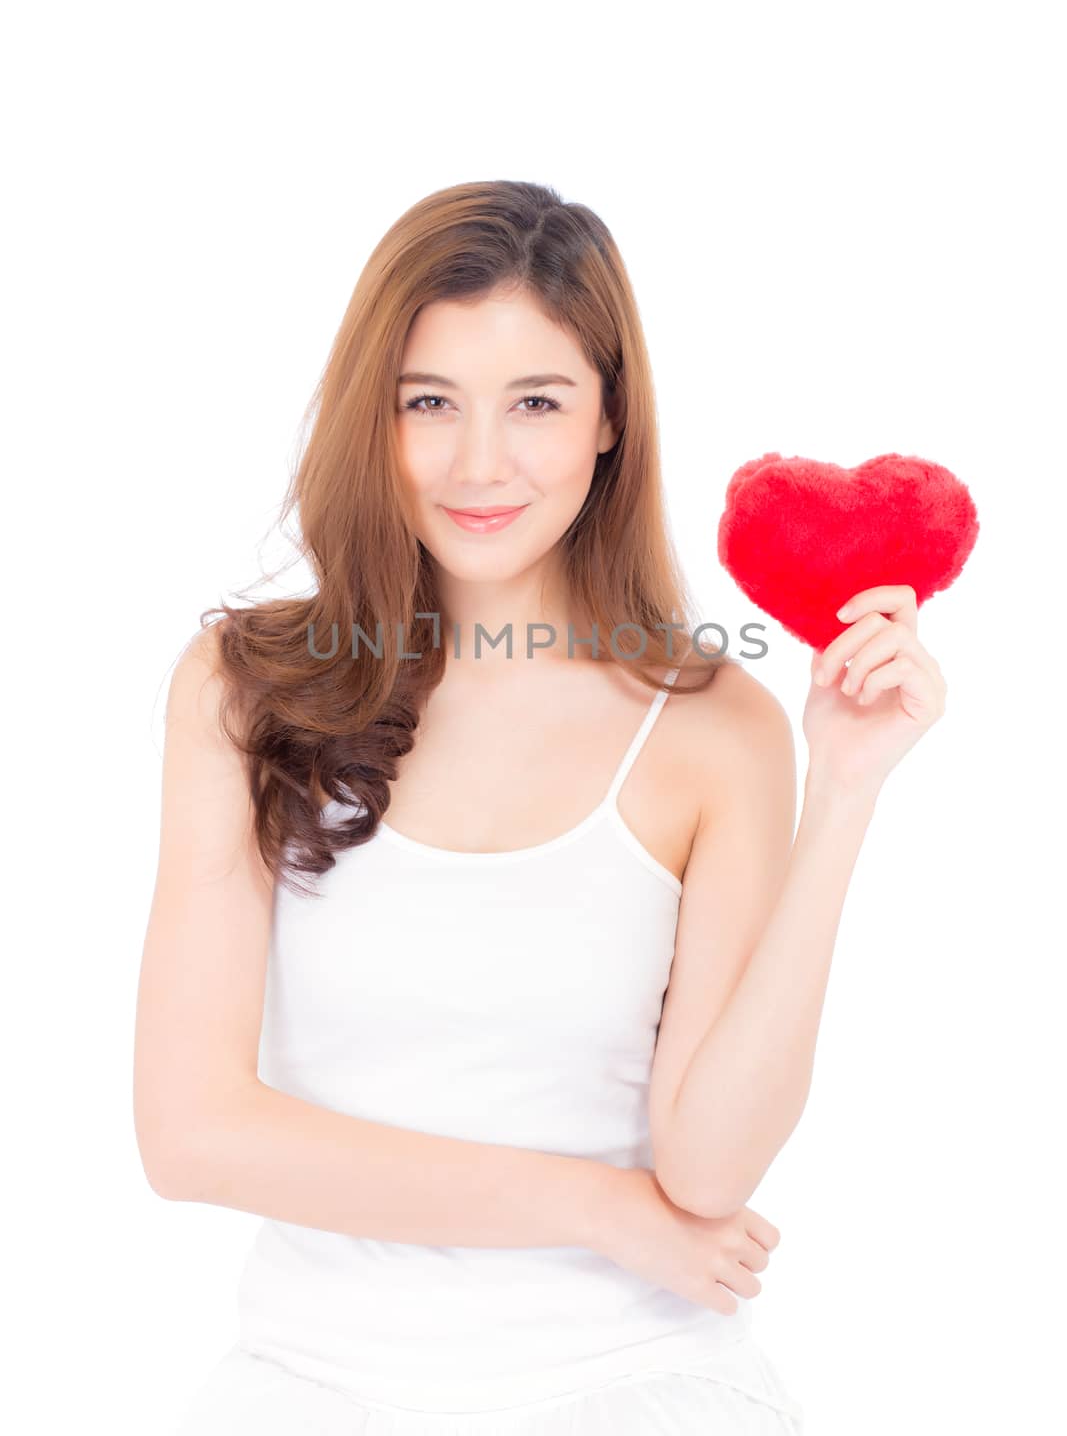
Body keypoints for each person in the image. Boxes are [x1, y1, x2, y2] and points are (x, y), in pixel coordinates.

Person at [135, 179, 947, 1434]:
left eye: (535, 402)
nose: (477, 463)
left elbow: (709, 1165)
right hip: (313, 1384)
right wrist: (594, 1206)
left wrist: (841, 790)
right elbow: (190, 1133)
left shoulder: (710, 727)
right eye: (428, 403)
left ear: (609, 416)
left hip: (628, 1383)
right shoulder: (243, 691)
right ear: (377, 416)